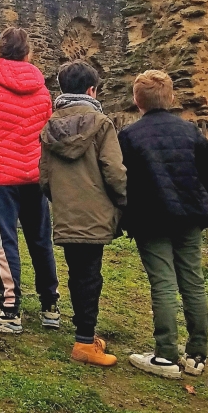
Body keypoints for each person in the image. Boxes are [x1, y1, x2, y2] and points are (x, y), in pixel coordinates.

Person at [119, 70, 208, 380]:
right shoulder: (191, 133)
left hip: (151, 217)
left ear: (137, 100)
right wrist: (197, 200)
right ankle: (196, 355)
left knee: (163, 282)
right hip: (188, 215)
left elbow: (123, 180)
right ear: (172, 97)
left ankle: (165, 354)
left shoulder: (130, 135)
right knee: (192, 279)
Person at [0, 26, 59, 334]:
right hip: (33, 174)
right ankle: (50, 305)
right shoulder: (42, 90)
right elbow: (46, 135)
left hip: (2, 176)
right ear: (28, 52)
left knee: (5, 243)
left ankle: (9, 309)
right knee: (40, 239)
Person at [39, 60, 126, 366]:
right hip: (96, 209)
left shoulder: (50, 125)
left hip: (66, 210)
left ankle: (84, 335)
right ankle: (84, 343)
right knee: (90, 276)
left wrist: (61, 198)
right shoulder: (101, 123)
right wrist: (123, 201)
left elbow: (45, 177)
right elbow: (114, 171)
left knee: (78, 273)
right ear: (92, 89)